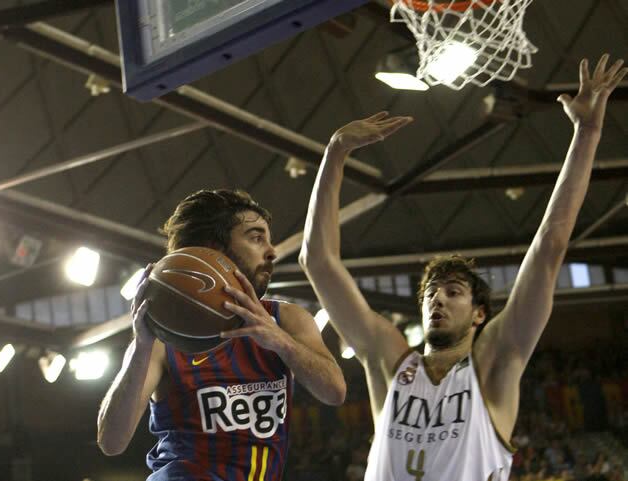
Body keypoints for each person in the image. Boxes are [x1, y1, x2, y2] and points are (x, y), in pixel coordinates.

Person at [299, 55, 626, 481]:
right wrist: (335, 153)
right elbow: (317, 261)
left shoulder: (495, 363)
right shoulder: (389, 362)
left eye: (453, 291)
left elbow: (549, 248)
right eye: (432, 292)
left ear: (479, 314)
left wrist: (587, 132)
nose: (438, 297)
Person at [97, 189, 346, 480]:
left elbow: (335, 392)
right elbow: (112, 442)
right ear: (213, 250)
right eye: (255, 238)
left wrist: (281, 342)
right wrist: (140, 347)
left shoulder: (287, 319)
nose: (272, 250)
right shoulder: (163, 340)